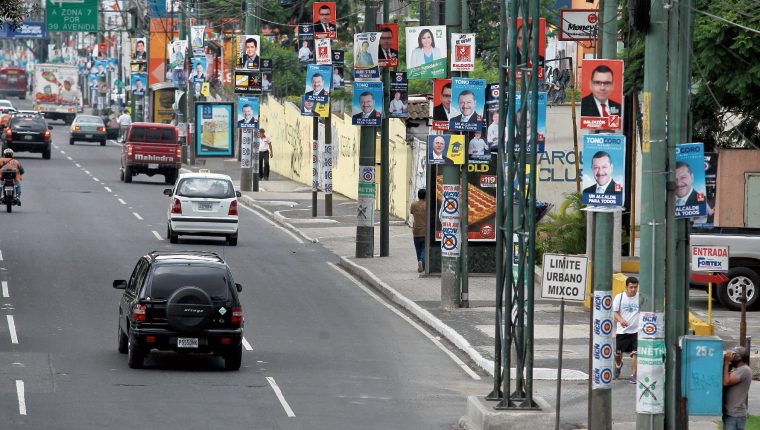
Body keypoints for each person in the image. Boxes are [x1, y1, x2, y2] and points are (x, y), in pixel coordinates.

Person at [613, 276, 639, 383]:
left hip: (636, 331)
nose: (633, 290)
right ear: (626, 287)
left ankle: (634, 374)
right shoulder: (619, 297)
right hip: (622, 331)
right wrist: (621, 320)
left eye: (635, 287)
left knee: (635, 353)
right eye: (631, 287)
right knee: (618, 353)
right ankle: (618, 365)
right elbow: (615, 312)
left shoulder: (640, 297)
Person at [722, 346, 752, 430]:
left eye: (734, 353)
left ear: (740, 357)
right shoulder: (736, 369)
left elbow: (726, 382)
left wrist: (727, 362)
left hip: (736, 415)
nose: (731, 355)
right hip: (730, 413)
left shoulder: (744, 370)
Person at [410, 189, 426, 273]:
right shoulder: (427, 205)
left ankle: (419, 262)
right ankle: (421, 260)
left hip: (416, 230)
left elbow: (412, 213)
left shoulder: (413, 204)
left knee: (418, 249)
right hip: (425, 231)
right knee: (425, 248)